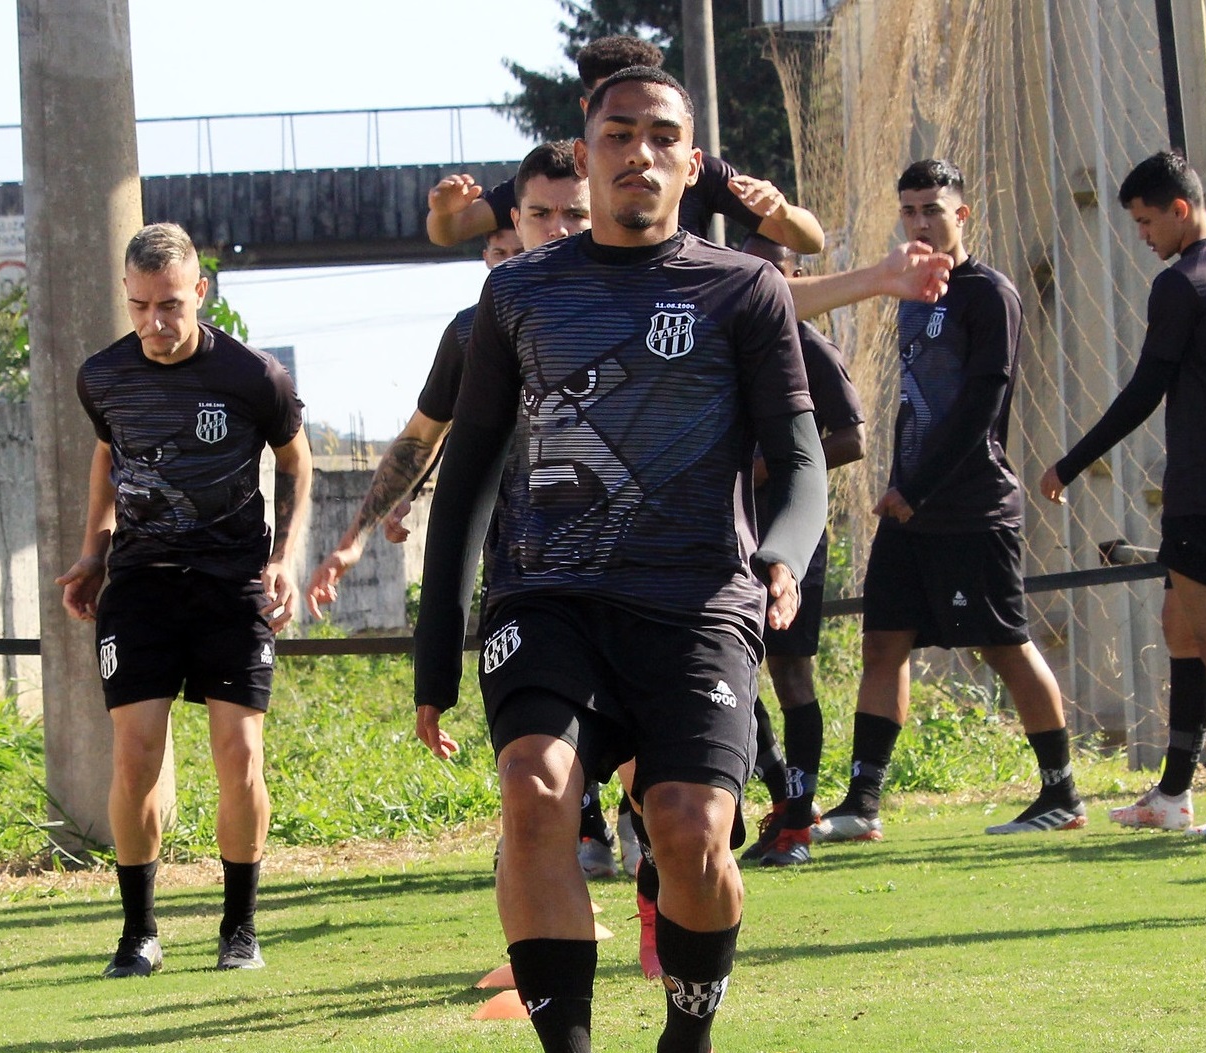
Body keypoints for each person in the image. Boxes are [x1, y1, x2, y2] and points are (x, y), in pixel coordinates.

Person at [413, 66, 828, 1053]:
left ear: (691, 163)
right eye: (616, 135)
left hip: (696, 603)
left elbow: (801, 462)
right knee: (534, 786)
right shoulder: (515, 297)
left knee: (687, 828)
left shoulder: (744, 291)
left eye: (659, 137)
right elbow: (466, 477)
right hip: (546, 596)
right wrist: (433, 651)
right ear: (586, 151)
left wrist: (781, 555)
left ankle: (685, 1037)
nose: (636, 153)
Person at [305, 141, 628, 879]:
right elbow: (423, 437)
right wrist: (353, 538)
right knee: (540, 762)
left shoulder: (654, 302)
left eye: (575, 213)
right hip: (525, 572)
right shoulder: (473, 327)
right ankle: (576, 844)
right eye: (541, 215)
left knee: (661, 792)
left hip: (637, 569)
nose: (559, 229)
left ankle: (646, 857)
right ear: (515, 220)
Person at [58, 222, 312, 976]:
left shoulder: (254, 377)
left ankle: (239, 926)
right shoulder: (101, 376)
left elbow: (298, 465)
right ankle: (138, 932)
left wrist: (286, 557)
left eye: (169, 304)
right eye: (139, 306)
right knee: (135, 753)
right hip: (140, 585)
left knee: (240, 753)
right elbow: (110, 455)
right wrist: (92, 552)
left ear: (200, 292)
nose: (154, 324)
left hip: (231, 584)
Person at [814, 158, 1083, 845]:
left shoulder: (987, 294)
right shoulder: (912, 293)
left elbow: (981, 405)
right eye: (909, 210)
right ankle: (863, 800)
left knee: (1002, 645)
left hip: (970, 507)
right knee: (883, 642)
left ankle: (1062, 792)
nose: (921, 221)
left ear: (962, 214)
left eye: (933, 208)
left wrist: (917, 485)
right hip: (912, 510)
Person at [1038, 151, 1206, 835]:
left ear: (1182, 209)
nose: (1143, 235)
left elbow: (1145, 389)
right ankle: (1174, 793)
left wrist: (1069, 462)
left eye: (1148, 221)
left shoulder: (1184, 283)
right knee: (1180, 628)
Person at [426, 35, 824, 255]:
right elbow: (450, 230)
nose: (638, 154)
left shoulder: (697, 172)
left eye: (656, 128)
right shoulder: (559, 174)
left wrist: (783, 213)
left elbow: (809, 240)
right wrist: (444, 213)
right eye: (616, 118)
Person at [732, 233, 869, 868]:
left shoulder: (811, 348)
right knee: (729, 671)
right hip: (731, 534)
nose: (763, 278)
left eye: (774, 268)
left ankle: (796, 823)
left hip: (790, 534)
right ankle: (784, 795)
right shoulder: (733, 338)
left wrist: (768, 468)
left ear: (796, 274)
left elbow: (850, 440)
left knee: (789, 673)